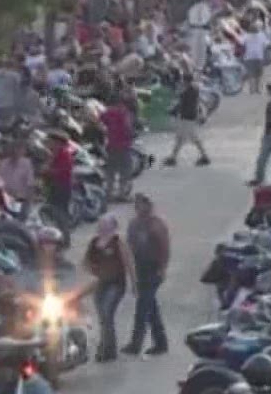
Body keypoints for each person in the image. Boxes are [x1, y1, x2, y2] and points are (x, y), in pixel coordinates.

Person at [123, 194, 170, 357]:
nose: (138, 208)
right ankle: (161, 342)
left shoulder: (156, 225)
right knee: (150, 307)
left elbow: (164, 248)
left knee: (142, 307)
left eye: (141, 204)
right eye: (136, 205)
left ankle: (136, 344)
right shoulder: (134, 225)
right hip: (140, 268)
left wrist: (162, 268)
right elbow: (129, 247)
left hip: (153, 268)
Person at [82, 214, 134, 363]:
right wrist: (93, 270)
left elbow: (128, 263)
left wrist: (134, 284)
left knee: (107, 314)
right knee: (104, 318)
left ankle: (105, 349)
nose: (102, 227)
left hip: (116, 284)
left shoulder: (118, 243)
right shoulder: (94, 243)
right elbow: (85, 262)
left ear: (112, 227)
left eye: (106, 225)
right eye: (101, 225)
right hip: (100, 285)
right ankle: (109, 348)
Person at [164, 82, 211, 168]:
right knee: (190, 138)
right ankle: (204, 156)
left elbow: (182, 104)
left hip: (186, 118)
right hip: (191, 117)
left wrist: (173, 111)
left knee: (182, 138)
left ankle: (173, 158)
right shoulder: (195, 90)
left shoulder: (186, 92)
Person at [241, 23, 268, 95]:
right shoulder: (261, 35)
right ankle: (258, 89)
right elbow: (266, 44)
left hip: (248, 57)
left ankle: (252, 90)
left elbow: (241, 43)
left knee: (251, 74)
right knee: (259, 74)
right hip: (259, 56)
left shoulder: (246, 36)